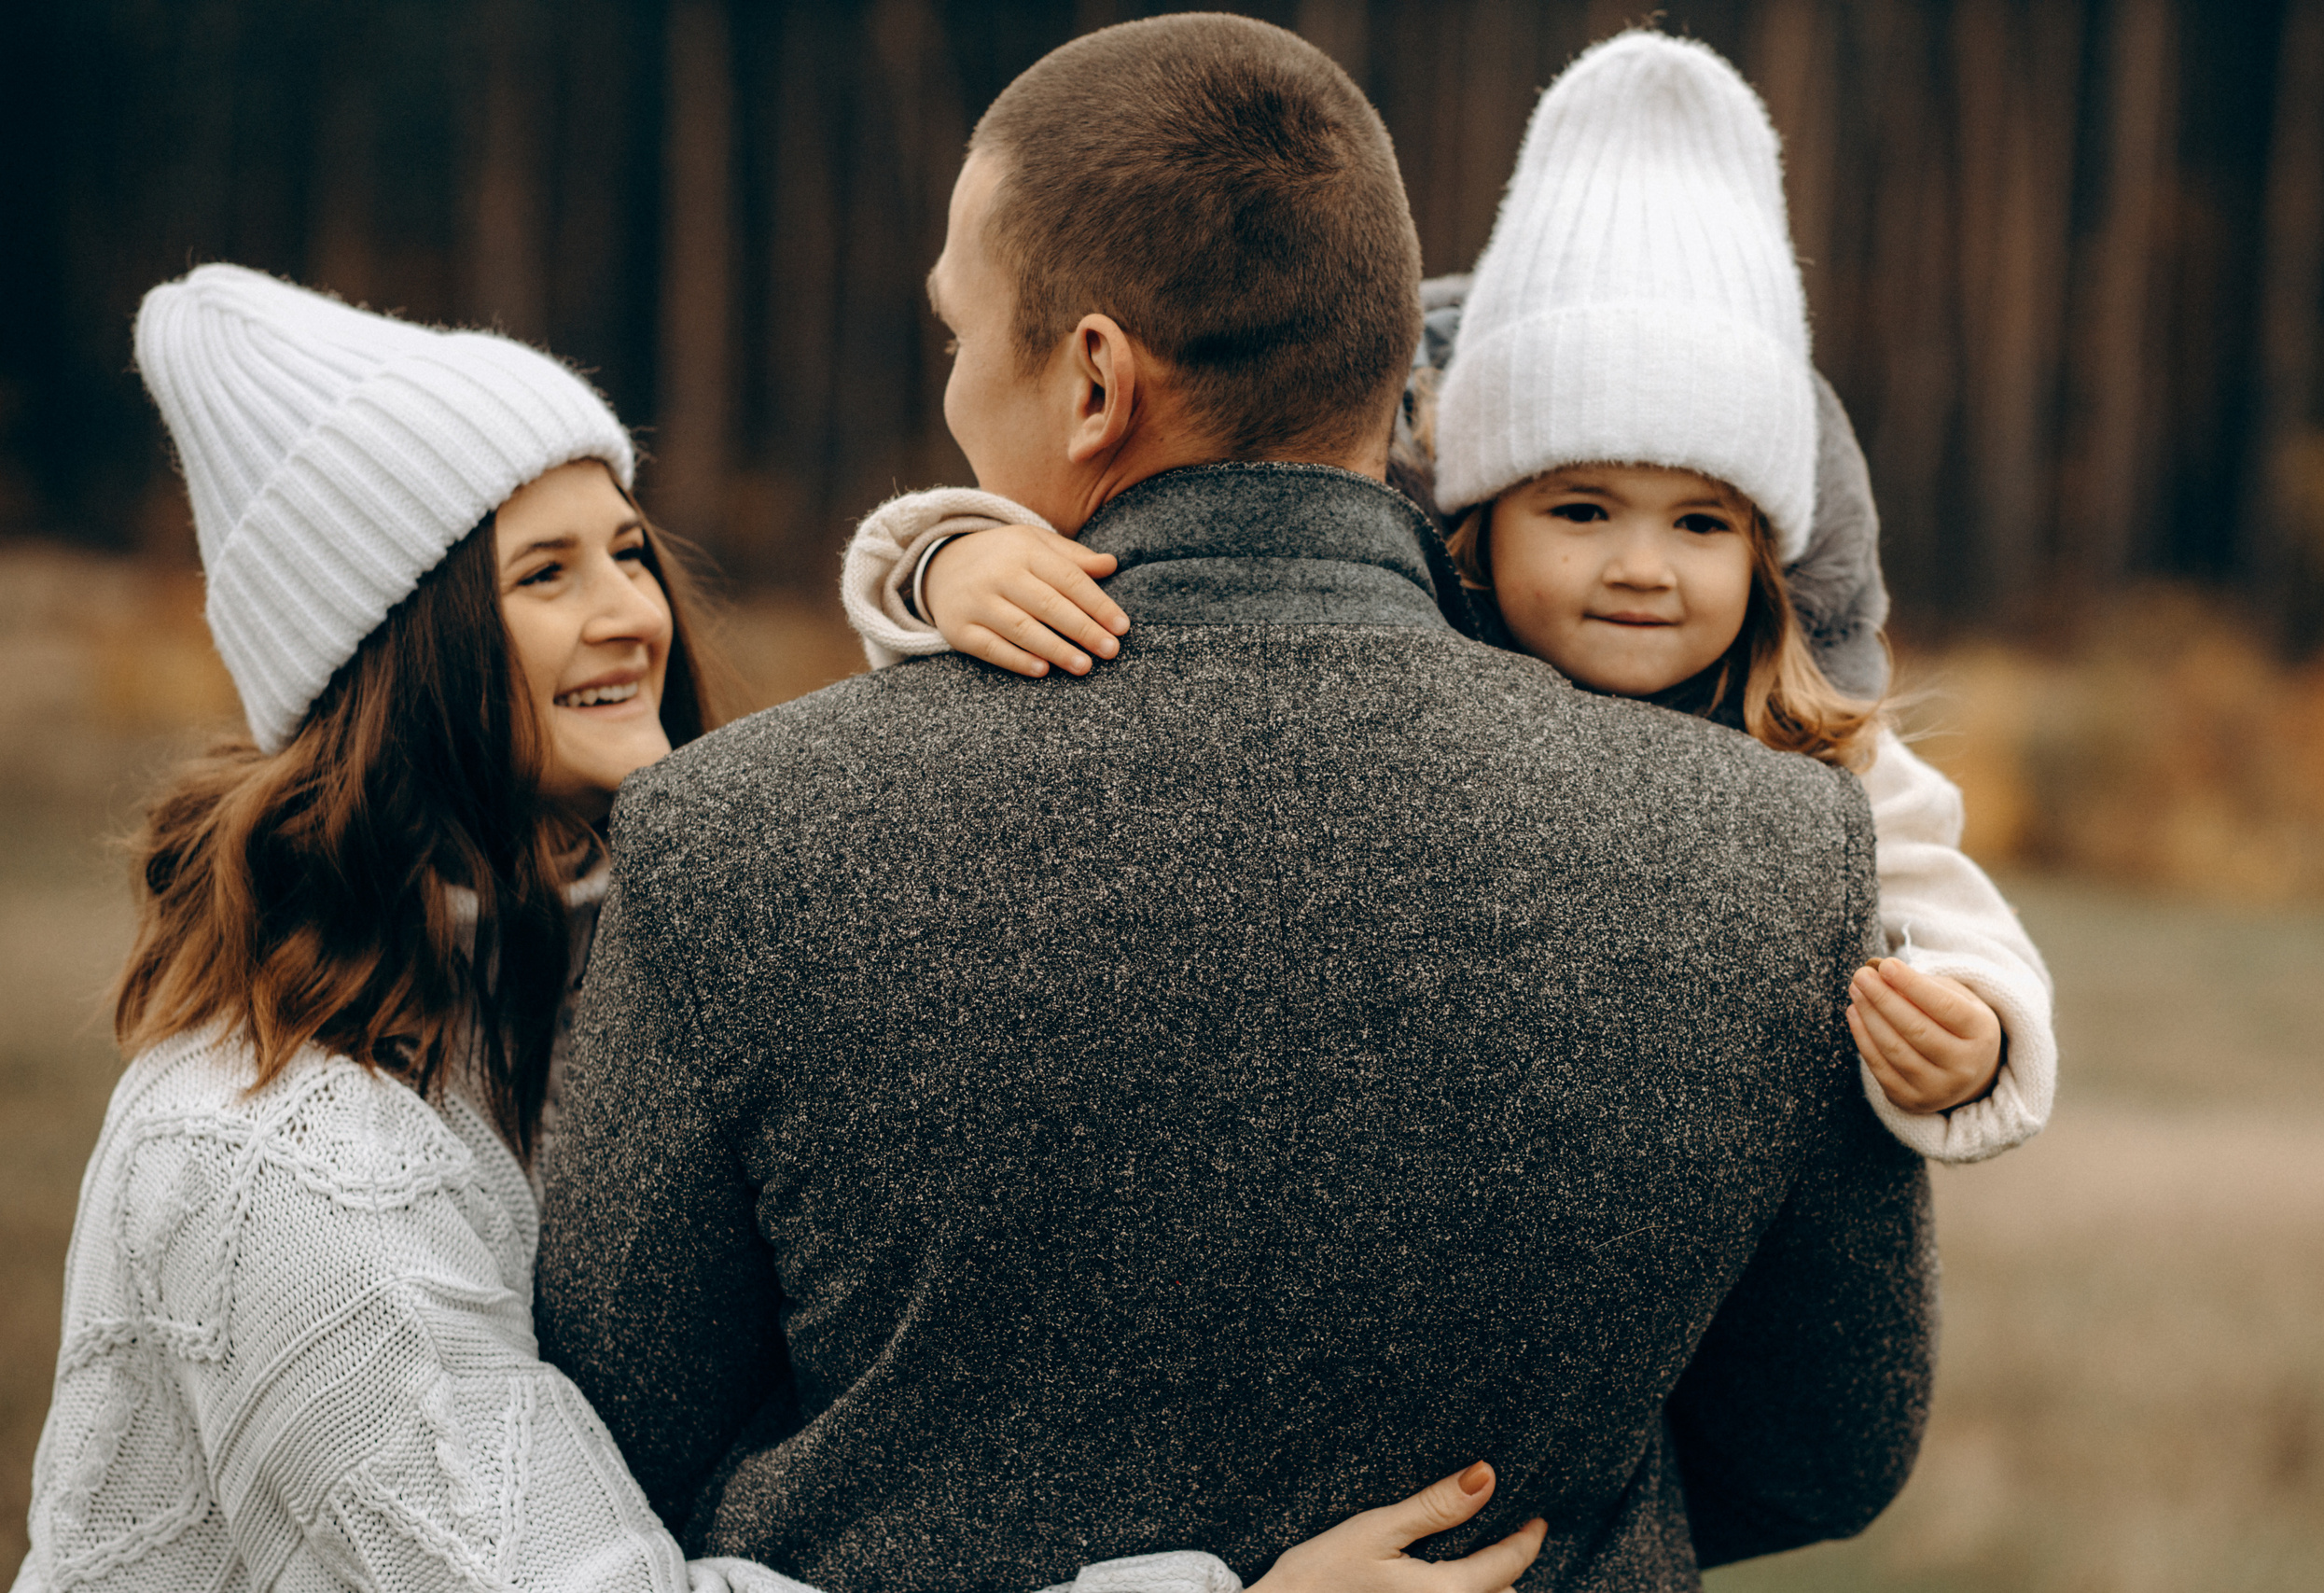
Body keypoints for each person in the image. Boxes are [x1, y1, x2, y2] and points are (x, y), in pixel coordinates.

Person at [535, 16, 1934, 1593]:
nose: (949, 391)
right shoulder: (1771, 850)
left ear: (1092, 382)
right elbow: (1825, 1446)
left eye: (957, 335)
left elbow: (608, 1441)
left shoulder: (738, 842)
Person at [21, 265, 1510, 1593]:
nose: (633, 615)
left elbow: (872, 850)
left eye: (624, 550)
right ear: (394, 659)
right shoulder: (276, 1161)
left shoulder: (600, 970)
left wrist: (940, 572)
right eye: (543, 576)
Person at [840, 31, 2055, 1167]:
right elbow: (1104, 595)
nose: (1642, 565)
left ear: (1767, 557)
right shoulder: (1403, 644)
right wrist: (949, 559)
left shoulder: (1820, 757)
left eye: (1701, 524)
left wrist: (1977, 1035)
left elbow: (1950, 915)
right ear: (1477, 523)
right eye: (1581, 512)